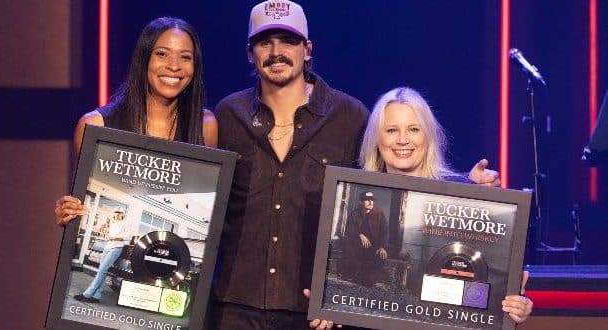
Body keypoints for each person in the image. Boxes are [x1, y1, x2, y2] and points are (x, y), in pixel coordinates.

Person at [214, 2, 501, 329]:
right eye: (265, 42)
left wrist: (464, 186)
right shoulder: (228, 115)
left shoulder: (349, 117)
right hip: (234, 304)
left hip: (312, 311)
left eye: (288, 41)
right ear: (250, 53)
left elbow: (393, 177)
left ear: (307, 50)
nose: (276, 51)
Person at [359, 86, 533, 323]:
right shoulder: (355, 194)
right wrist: (325, 304)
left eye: (413, 129)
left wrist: (515, 304)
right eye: (391, 130)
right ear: (376, 139)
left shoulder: (469, 194)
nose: (402, 139)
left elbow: (491, 280)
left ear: (428, 136)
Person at [54, 17, 217, 224]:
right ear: (144, 59)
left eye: (185, 57)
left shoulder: (205, 125)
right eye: (162, 54)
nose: (174, 66)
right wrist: (70, 212)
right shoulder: (95, 126)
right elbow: (86, 203)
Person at [74, 207, 130, 303]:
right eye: (116, 212)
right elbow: (110, 237)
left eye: (119, 213)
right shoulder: (113, 224)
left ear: (122, 214)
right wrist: (108, 238)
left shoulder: (125, 224)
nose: (117, 214)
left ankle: (87, 294)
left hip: (116, 249)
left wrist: (114, 238)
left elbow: (128, 237)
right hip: (107, 248)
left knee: (101, 271)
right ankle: (96, 296)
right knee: (102, 272)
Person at [343, 191, 388, 287]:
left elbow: (385, 232)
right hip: (359, 246)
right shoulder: (354, 214)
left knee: (381, 256)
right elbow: (348, 231)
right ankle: (356, 274)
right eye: (367, 200)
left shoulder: (379, 214)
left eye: (372, 200)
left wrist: (382, 247)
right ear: (360, 202)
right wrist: (359, 234)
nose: (370, 202)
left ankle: (369, 280)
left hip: (375, 246)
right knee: (350, 246)